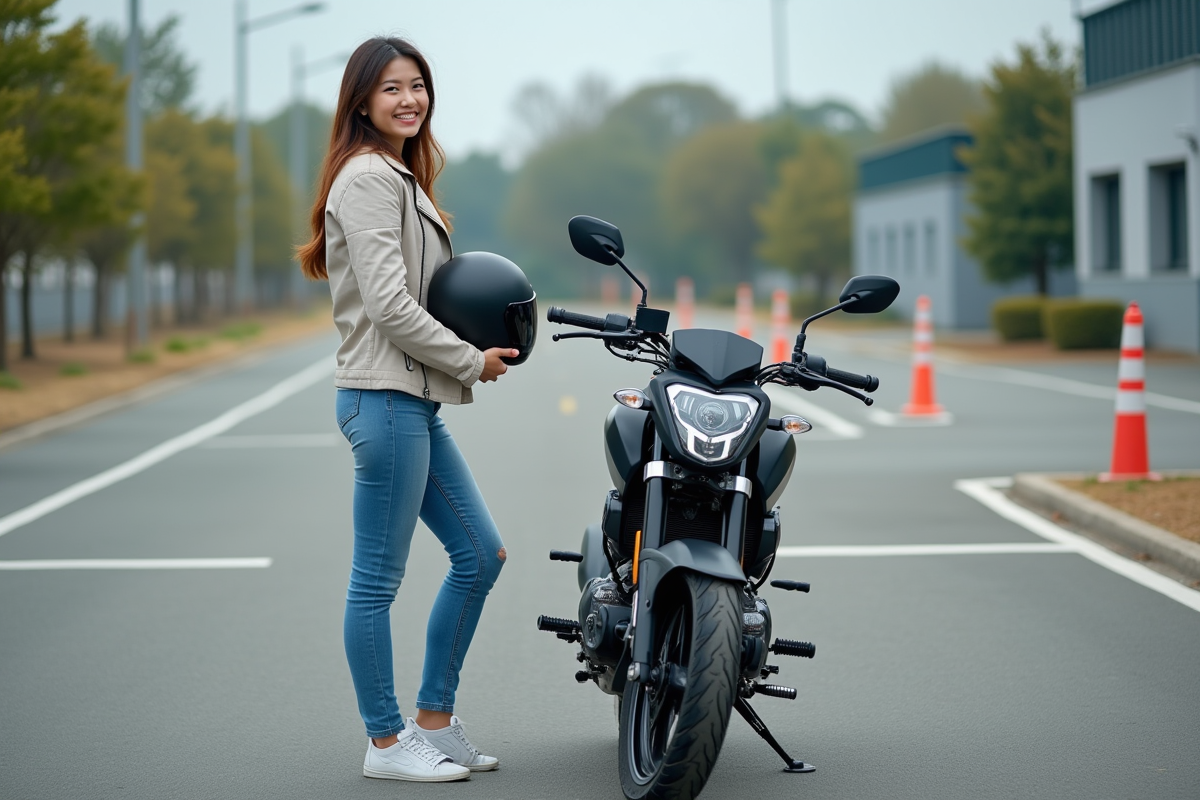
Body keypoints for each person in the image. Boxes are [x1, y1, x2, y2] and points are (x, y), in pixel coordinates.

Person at [297, 36, 512, 783]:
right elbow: (390, 304)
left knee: (481, 555)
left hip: (411, 402)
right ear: (361, 100)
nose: (408, 99)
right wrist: (468, 359)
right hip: (382, 400)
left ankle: (434, 720)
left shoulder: (397, 175)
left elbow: (422, 293)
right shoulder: (365, 178)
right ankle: (386, 744)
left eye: (417, 85)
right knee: (376, 582)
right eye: (391, 88)